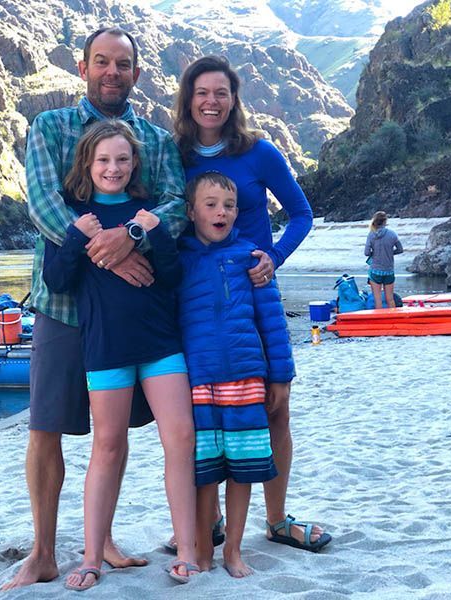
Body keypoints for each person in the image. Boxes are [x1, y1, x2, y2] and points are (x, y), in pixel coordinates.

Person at [1, 28, 188, 591]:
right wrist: (107, 254)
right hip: (63, 304)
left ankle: (100, 541)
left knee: (116, 434)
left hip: (132, 310)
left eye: (123, 64)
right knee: (46, 426)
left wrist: (130, 232)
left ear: (137, 73)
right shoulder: (50, 127)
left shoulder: (155, 140)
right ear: (82, 67)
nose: (112, 71)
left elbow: (176, 205)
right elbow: (43, 204)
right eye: (102, 62)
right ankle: (41, 552)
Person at [173, 55, 331, 553]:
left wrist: (274, 258)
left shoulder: (259, 153)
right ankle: (212, 519)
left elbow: (302, 213)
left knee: (274, 407)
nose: (211, 101)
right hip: (198, 301)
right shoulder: (174, 155)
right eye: (202, 92)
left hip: (253, 293)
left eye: (221, 92)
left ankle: (277, 518)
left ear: (234, 99)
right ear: (188, 99)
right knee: (204, 412)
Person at [43, 120, 198, 590]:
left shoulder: (149, 213)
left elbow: (171, 277)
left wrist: (152, 233)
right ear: (88, 165)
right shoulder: (75, 215)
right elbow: (58, 282)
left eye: (123, 160)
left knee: (181, 439)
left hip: (160, 345)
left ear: (135, 165)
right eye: (104, 160)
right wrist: (77, 235)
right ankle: (91, 558)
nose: (114, 168)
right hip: (105, 348)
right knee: (107, 446)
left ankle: (188, 551)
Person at [179, 172, 282, 576]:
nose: (221, 212)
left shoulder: (252, 259)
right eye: (210, 204)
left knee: (243, 470)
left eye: (229, 205)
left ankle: (233, 550)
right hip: (199, 380)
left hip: (245, 379)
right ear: (191, 212)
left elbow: (271, 322)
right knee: (205, 473)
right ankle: (204, 548)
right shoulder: (180, 261)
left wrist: (280, 377)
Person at [364, 211, 403, 309]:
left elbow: (366, 253)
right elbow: (400, 249)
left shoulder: (371, 234)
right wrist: (390, 252)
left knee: (378, 300)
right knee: (390, 299)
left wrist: (375, 253)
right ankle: (393, 319)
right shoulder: (392, 234)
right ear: (385, 221)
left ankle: (379, 321)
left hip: (375, 271)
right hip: (389, 270)